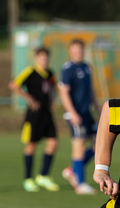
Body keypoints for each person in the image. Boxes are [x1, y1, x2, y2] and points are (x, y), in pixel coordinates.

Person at [8, 46, 60, 192]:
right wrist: (29, 99)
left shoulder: (50, 73)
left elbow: (54, 87)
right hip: (34, 115)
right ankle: (28, 179)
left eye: (46, 57)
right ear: (36, 58)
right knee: (31, 145)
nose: (44, 59)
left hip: (46, 113)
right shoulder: (30, 72)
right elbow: (13, 85)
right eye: (41, 57)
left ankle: (43, 176)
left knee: (53, 142)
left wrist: (52, 99)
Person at [59, 38, 99, 195]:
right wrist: (73, 113)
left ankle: (73, 170)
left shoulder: (87, 67)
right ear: (70, 51)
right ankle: (80, 184)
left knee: (98, 146)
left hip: (87, 113)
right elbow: (64, 93)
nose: (78, 52)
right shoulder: (68, 69)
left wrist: (99, 110)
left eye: (80, 49)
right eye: (75, 50)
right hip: (75, 114)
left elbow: (91, 91)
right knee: (79, 147)